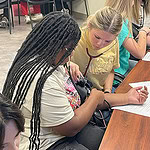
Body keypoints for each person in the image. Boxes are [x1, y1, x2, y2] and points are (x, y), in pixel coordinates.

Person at [2, 11, 148, 150]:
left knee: (115, 139)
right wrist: (94, 99)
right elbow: (70, 127)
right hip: (47, 142)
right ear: (55, 46)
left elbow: (90, 96)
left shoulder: (54, 61)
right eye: (69, 50)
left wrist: (128, 97)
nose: (71, 55)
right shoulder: (42, 79)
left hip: (65, 127)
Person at [71, 6, 122, 93]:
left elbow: (111, 71)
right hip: (74, 92)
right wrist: (69, 64)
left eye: (107, 41)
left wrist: (107, 91)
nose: (100, 44)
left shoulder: (114, 43)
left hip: (99, 92)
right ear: (89, 25)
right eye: (97, 37)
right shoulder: (76, 38)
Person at [105, 0, 150, 88]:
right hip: (118, 72)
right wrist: (143, 32)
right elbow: (140, 54)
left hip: (123, 63)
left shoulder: (117, 17)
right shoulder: (119, 24)